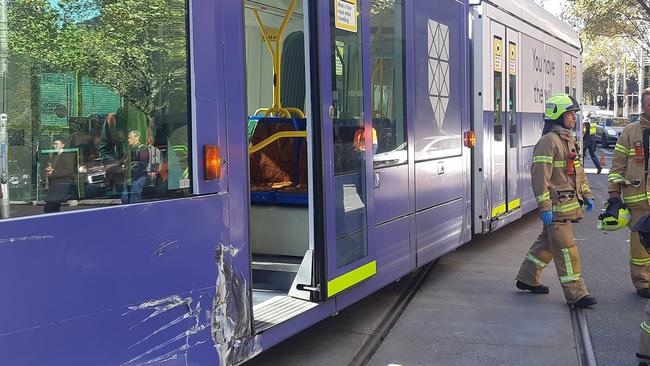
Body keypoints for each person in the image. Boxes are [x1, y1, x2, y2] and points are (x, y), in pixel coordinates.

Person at [515, 93, 597, 308]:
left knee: (546, 245)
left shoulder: (568, 140)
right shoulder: (549, 142)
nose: (574, 119)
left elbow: (577, 173)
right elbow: (540, 177)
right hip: (557, 208)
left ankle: (527, 278)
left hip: (566, 206)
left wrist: (587, 195)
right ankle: (577, 294)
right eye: (570, 115)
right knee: (567, 251)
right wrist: (544, 206)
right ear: (559, 116)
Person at [608, 87, 650, 298]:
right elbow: (617, 165)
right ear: (643, 106)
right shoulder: (630, 131)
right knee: (639, 247)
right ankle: (642, 283)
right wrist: (613, 195)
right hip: (638, 200)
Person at [44, 137, 75, 213]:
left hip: (62, 184)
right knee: (53, 208)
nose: (55, 146)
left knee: (49, 207)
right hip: (54, 184)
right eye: (54, 144)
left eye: (57, 144)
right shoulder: (54, 155)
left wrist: (53, 172)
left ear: (63, 145)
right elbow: (50, 167)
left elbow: (69, 171)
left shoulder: (68, 156)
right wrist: (48, 170)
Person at [121, 130, 149, 204]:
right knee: (125, 198)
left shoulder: (142, 148)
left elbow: (144, 164)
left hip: (138, 177)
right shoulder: (129, 150)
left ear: (137, 138)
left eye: (130, 138)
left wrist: (133, 170)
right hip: (129, 177)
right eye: (128, 138)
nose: (128, 140)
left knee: (134, 198)